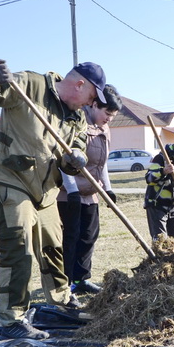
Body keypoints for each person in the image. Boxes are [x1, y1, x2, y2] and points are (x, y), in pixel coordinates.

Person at [0, 60, 107, 340]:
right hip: (10, 177)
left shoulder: (76, 117)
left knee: (53, 244)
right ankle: (12, 318)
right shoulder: (30, 85)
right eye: (92, 97)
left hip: (44, 189)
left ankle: (61, 301)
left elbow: (75, 150)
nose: (89, 104)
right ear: (80, 85)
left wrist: (76, 159)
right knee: (18, 245)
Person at [57, 84, 123, 295]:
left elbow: (101, 164)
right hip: (68, 195)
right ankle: (65, 284)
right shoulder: (77, 123)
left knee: (89, 236)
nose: (109, 119)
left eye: (113, 115)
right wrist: (72, 190)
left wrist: (108, 189)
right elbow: (64, 159)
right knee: (70, 238)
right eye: (107, 113)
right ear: (94, 104)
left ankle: (81, 279)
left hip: (90, 194)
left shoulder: (104, 129)